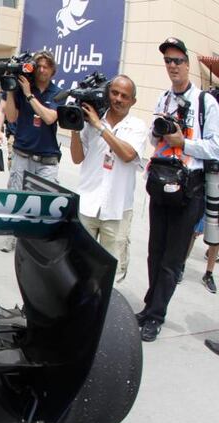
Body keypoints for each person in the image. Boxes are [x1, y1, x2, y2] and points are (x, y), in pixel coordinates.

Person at [136, 37, 219, 342]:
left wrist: (182, 142)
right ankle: (148, 308)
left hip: (190, 187)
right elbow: (152, 136)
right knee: (154, 252)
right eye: (167, 61)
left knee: (172, 259)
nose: (172, 66)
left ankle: (156, 316)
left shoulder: (205, 102)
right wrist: (158, 134)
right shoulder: (164, 99)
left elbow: (215, 147)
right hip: (161, 182)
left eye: (177, 60)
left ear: (187, 64)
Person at [69, 75, 146, 282]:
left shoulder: (137, 126)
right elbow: (77, 158)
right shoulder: (91, 119)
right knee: (80, 265)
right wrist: (76, 127)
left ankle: (103, 309)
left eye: (124, 96)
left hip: (117, 210)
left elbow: (128, 154)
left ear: (133, 101)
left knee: (109, 272)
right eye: (114, 93)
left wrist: (99, 126)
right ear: (107, 93)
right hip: (87, 204)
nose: (118, 99)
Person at [0, 50, 63, 253]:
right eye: (39, 66)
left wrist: (28, 94)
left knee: (44, 203)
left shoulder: (58, 92)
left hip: (47, 158)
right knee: (16, 197)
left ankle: (34, 241)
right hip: (22, 154)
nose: (42, 70)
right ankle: (11, 236)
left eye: (47, 66)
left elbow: (49, 118)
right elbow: (10, 118)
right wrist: (11, 90)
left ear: (53, 70)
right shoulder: (22, 88)